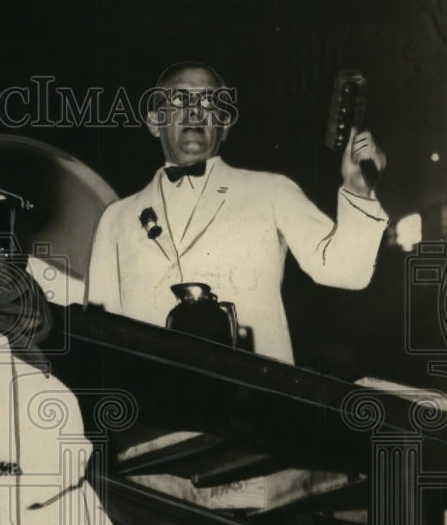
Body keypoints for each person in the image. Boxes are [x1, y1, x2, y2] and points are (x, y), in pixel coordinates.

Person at [85, 61, 390, 364]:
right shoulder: (117, 218)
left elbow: (347, 270)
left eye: (209, 101)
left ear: (225, 123)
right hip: (150, 402)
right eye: (179, 99)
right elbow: (98, 335)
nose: (195, 111)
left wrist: (357, 187)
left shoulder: (271, 191)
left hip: (251, 402)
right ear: (153, 121)